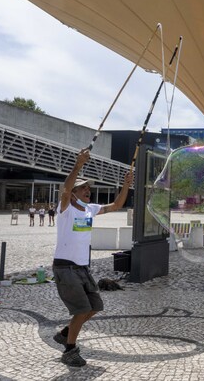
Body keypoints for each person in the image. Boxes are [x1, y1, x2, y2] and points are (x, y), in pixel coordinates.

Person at [51, 149, 133, 367]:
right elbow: (65, 189)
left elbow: (116, 206)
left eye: (89, 187)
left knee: (95, 305)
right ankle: (69, 350)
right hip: (65, 267)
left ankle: (66, 333)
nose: (88, 190)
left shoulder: (89, 209)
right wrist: (78, 165)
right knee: (82, 309)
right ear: (75, 192)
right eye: (83, 187)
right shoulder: (65, 208)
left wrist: (126, 185)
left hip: (81, 268)